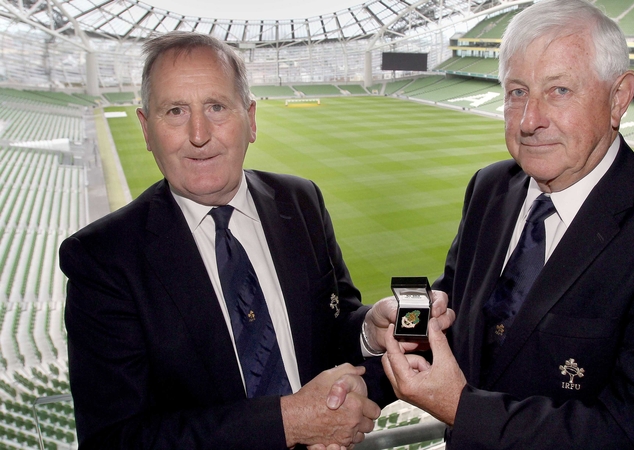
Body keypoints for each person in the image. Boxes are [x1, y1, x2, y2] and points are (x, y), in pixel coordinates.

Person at [381, 0, 634, 448]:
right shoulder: (490, 187)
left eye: (559, 90)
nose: (530, 121)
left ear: (619, 98)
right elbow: (460, 306)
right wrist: (404, 329)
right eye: (518, 92)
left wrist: (461, 407)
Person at [60, 31, 450, 450]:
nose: (198, 133)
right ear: (146, 127)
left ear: (251, 118)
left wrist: (368, 333)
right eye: (174, 111)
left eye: (216, 107)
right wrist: (289, 422)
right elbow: (114, 439)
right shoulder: (102, 258)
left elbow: (332, 326)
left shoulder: (300, 201)